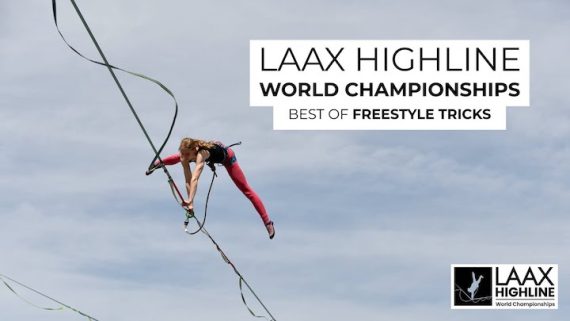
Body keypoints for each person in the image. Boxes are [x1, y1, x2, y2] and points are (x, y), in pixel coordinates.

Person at [147, 138, 275, 239]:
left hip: (227, 157)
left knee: (246, 190)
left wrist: (190, 199)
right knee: (180, 159)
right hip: (212, 147)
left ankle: (268, 222)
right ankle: (159, 163)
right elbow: (188, 179)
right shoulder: (185, 155)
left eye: (187, 154)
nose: (185, 157)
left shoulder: (201, 154)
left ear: (195, 149)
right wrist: (190, 203)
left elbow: (195, 178)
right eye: (183, 153)